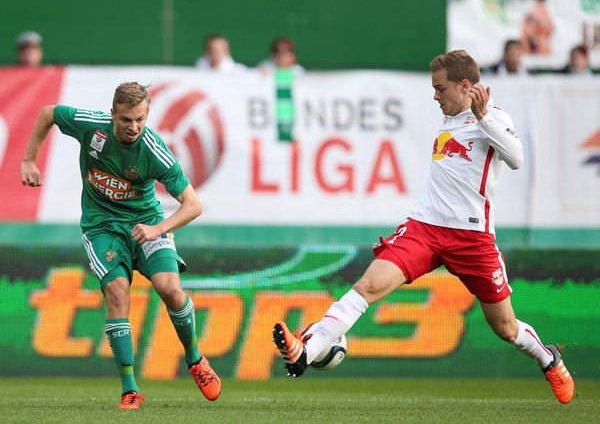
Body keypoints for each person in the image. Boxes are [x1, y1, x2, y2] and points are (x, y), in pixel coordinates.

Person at [272, 50, 575, 405]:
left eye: (440, 88)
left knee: (506, 328)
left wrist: (482, 117)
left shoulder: (493, 117)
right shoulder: (449, 119)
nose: (435, 95)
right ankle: (306, 349)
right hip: (425, 227)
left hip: (471, 238)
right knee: (368, 286)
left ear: (465, 85)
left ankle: (548, 358)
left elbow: (517, 158)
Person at [21, 82, 221, 409]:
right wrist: (29, 159)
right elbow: (48, 114)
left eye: (141, 119)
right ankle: (130, 389)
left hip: (147, 224)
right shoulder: (91, 126)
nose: (134, 127)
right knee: (117, 291)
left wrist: (158, 229)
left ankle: (195, 359)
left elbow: (193, 205)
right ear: (113, 113)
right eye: (127, 119)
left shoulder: (154, 150)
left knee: (170, 288)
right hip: (101, 227)